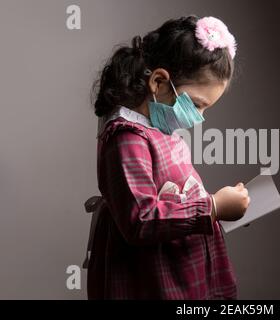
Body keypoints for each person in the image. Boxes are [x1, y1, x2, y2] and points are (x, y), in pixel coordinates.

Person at [87, 15, 250, 300]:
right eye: (197, 104)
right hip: (154, 282)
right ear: (159, 82)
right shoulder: (127, 137)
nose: (199, 117)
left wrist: (224, 209)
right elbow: (141, 219)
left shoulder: (161, 130)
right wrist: (212, 207)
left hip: (183, 273)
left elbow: (173, 199)